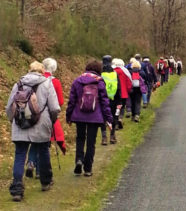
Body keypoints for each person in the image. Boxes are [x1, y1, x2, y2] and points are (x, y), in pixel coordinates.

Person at [6, 61, 60, 201]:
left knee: (19, 155)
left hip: (20, 125)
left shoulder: (18, 84)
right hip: (41, 125)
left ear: (29, 70)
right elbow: (54, 108)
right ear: (42, 71)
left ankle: (17, 189)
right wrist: (52, 120)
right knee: (43, 152)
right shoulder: (47, 83)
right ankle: (45, 182)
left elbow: (9, 107)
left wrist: (14, 121)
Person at [66, 60, 113, 177]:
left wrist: (69, 116)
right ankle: (88, 169)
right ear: (99, 70)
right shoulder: (100, 82)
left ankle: (79, 160)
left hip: (79, 115)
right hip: (95, 116)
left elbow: (71, 101)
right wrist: (109, 119)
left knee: (80, 138)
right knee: (91, 142)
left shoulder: (77, 81)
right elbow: (104, 102)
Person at [25, 58, 66, 179]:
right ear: (54, 68)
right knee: (44, 144)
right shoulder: (55, 82)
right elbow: (60, 102)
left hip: (30, 114)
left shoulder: (29, 80)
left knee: (34, 142)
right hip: (46, 116)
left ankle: (31, 162)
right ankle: (39, 172)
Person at [100, 55, 122, 145]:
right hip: (114, 99)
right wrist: (119, 101)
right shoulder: (115, 73)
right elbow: (119, 88)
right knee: (114, 117)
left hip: (103, 99)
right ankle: (112, 136)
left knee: (103, 118)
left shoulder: (100, 74)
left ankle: (104, 137)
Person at [112, 58, 132, 129]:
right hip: (123, 93)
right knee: (122, 107)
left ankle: (116, 121)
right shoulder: (125, 72)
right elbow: (129, 83)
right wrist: (128, 91)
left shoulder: (112, 71)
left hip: (114, 93)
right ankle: (120, 119)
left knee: (115, 108)